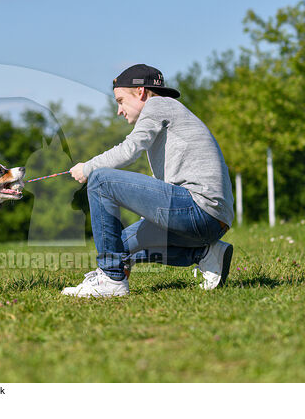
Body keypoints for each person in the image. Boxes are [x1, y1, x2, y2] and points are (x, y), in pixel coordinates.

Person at [64, 64, 234, 297]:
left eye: (120, 100)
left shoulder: (157, 104)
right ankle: (206, 254)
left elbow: (130, 150)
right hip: (212, 219)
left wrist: (88, 167)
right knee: (117, 245)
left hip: (199, 209)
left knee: (100, 180)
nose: (119, 111)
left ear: (141, 92)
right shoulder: (167, 113)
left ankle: (111, 280)